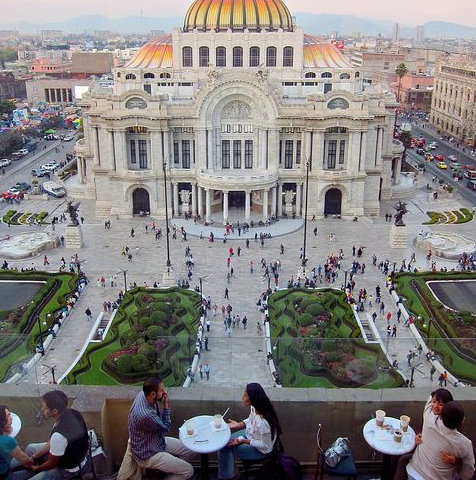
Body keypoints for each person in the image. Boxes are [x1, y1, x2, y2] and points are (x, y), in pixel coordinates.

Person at [118, 377, 194, 480]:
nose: (165, 392)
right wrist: (166, 405)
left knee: (191, 449)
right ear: (153, 394)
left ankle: (171, 470)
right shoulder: (146, 415)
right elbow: (166, 426)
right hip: (148, 454)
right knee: (189, 471)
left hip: (156, 441)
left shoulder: (143, 395)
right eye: (162, 390)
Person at [11, 390, 90, 480]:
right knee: (30, 448)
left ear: (55, 411)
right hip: (69, 453)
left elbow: (52, 464)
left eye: (45, 408)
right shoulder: (72, 413)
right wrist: (33, 458)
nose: (42, 410)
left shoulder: (59, 435)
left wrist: (36, 468)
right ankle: (9, 469)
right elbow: (51, 444)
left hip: (68, 469)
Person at [218, 383, 281, 480]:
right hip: (250, 435)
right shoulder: (255, 408)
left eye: (245, 395)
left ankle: (229, 477)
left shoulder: (263, 424)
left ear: (252, 399)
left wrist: (244, 441)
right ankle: (231, 475)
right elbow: (251, 419)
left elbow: (266, 446)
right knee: (222, 444)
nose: (242, 396)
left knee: (226, 449)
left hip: (260, 450)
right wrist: (239, 424)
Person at [394, 388, 455, 480]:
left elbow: (462, 455)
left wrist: (454, 460)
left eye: (441, 404)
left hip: (433, 468)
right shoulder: (430, 415)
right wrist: (419, 435)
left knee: (402, 460)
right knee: (400, 459)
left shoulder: (450, 425)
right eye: (434, 402)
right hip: (422, 459)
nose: (435, 406)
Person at [407, 401, 475, 480]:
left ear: (440, 415)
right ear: (462, 420)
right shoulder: (465, 444)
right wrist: (455, 462)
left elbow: (432, 398)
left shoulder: (428, 419)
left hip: (413, 473)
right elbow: (467, 474)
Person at [0, 406, 34, 479]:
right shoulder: (7, 441)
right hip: (5, 476)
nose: (11, 418)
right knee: (31, 473)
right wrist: (36, 466)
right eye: (8, 416)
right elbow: (23, 459)